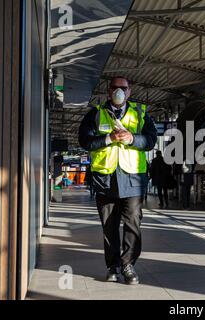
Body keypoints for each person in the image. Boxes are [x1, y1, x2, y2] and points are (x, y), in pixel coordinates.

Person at [78, 76, 157, 285]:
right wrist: (108, 139)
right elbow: (85, 141)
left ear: (129, 91)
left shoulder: (140, 113)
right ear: (108, 91)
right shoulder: (95, 114)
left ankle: (128, 264)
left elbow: (151, 140)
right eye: (115, 88)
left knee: (133, 223)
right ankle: (112, 266)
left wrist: (132, 139)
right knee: (109, 226)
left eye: (123, 88)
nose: (119, 91)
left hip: (133, 179)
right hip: (105, 179)